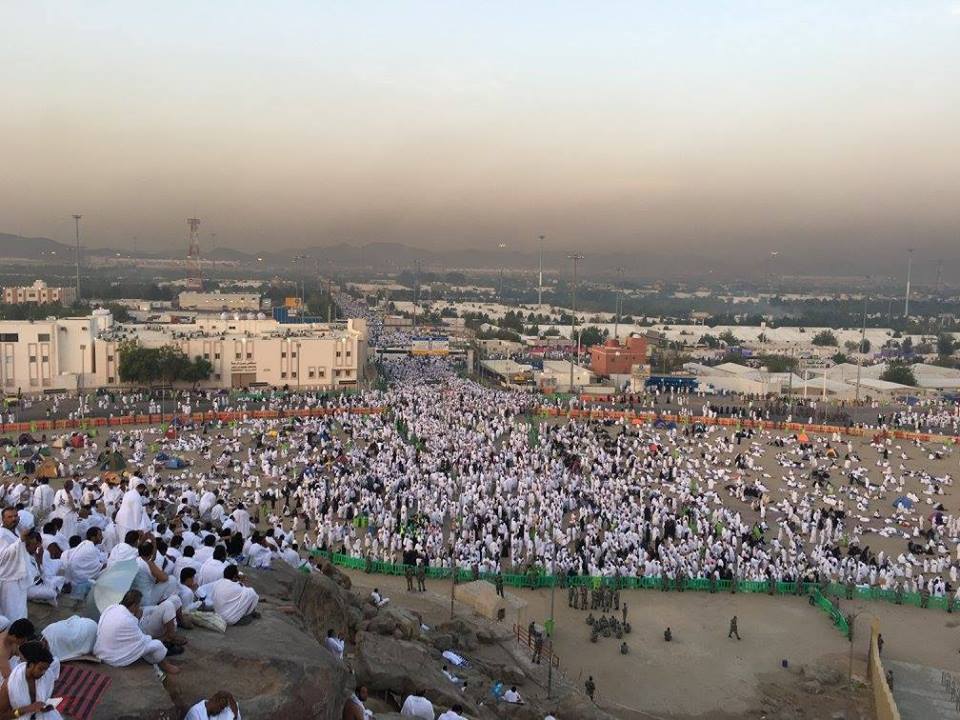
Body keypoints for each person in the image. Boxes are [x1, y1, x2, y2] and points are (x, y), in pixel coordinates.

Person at [94, 589, 180, 676]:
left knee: (142, 643)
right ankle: (164, 665)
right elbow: (142, 642)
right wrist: (156, 639)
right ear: (134, 605)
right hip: (114, 659)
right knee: (157, 645)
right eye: (138, 605)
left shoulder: (112, 608)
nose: (139, 607)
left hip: (101, 651)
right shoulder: (128, 620)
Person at [0, 641, 60, 720]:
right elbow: (2, 716)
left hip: (41, 716)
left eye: (46, 669)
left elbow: (45, 699)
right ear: (31, 665)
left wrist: (45, 707)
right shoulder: (10, 684)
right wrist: (27, 709)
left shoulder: (47, 677)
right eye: (41, 669)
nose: (43, 673)